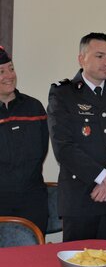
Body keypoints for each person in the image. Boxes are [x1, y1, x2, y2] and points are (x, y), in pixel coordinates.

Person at [47, 32, 106, 243]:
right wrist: (104, 178)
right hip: (82, 200)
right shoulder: (63, 94)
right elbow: (64, 146)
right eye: (100, 56)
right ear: (81, 59)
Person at [0, 46, 49, 234]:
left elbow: (41, 151)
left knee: (33, 258)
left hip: (32, 200)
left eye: (11, 68)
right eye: (1, 71)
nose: (9, 75)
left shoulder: (34, 108)